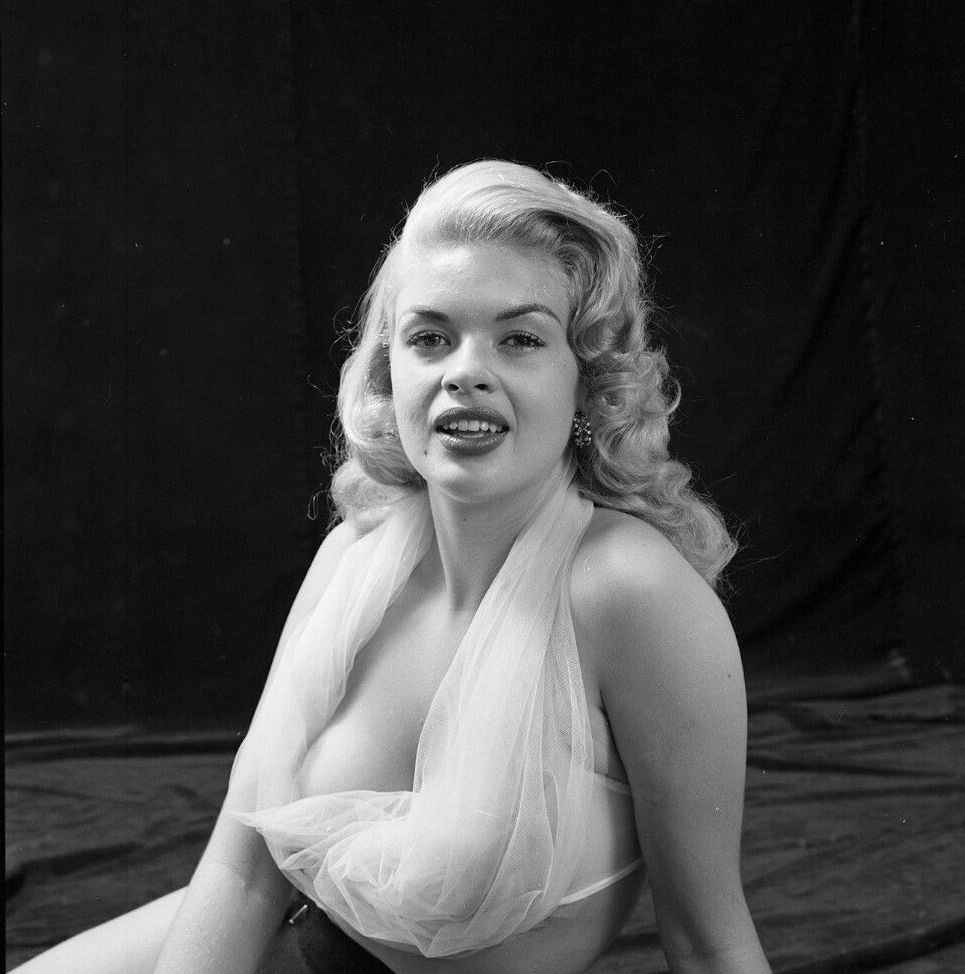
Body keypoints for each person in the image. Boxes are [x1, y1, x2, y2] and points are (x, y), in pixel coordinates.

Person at [13, 160, 771, 974]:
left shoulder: (631, 591)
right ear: (388, 372)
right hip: (286, 940)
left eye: (519, 339)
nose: (464, 372)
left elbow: (709, 942)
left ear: (586, 384)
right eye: (430, 338)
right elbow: (243, 872)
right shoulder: (355, 555)